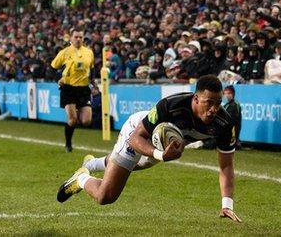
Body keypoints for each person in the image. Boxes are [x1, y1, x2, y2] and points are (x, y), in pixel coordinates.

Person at [56, 75, 242, 222]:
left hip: (161, 144)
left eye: (218, 103)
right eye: (208, 102)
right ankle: (81, 178)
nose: (213, 109)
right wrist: (160, 154)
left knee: (128, 166)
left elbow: (226, 167)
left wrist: (227, 204)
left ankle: (92, 162)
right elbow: (136, 137)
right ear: (195, 98)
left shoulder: (224, 124)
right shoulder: (171, 106)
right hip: (140, 132)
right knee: (106, 196)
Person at [51, 27, 95, 153]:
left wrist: (92, 81)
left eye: (80, 37)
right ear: (71, 38)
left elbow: (92, 69)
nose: (78, 39)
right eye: (76, 37)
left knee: (86, 121)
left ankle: (75, 120)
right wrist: (58, 79)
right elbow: (53, 67)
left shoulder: (88, 52)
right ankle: (68, 144)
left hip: (83, 89)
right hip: (68, 88)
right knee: (72, 119)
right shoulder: (64, 52)